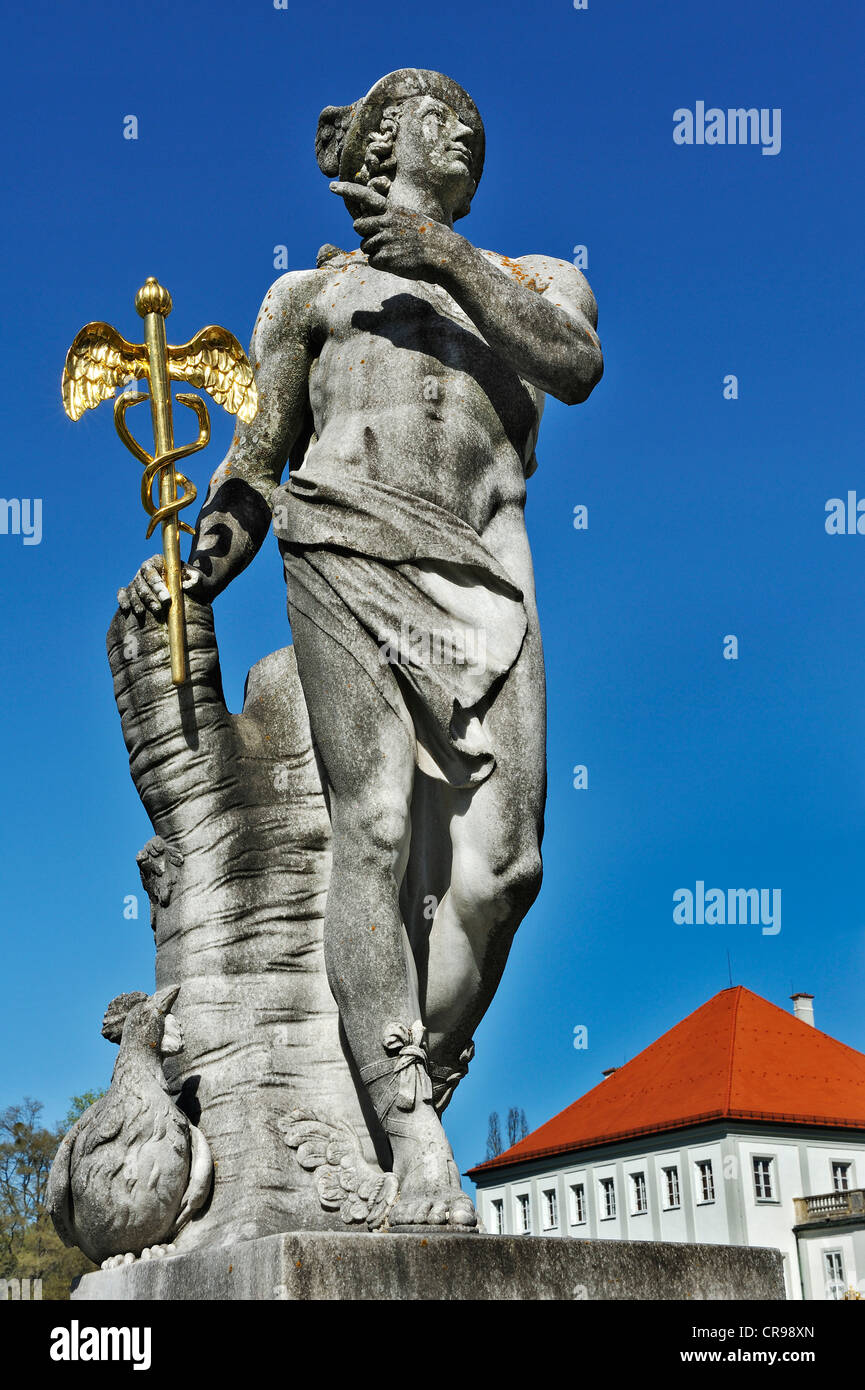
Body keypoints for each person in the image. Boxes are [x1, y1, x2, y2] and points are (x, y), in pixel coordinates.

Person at [119, 69, 603, 1229]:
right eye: (442, 119)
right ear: (382, 143)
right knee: (375, 824)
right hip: (338, 548)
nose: (466, 133)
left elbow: (574, 367)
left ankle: (399, 1072)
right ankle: (409, 1125)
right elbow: (256, 460)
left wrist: (440, 256)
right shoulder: (305, 298)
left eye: (474, 125)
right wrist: (192, 568)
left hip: (486, 572)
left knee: (505, 870)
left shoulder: (535, 279)